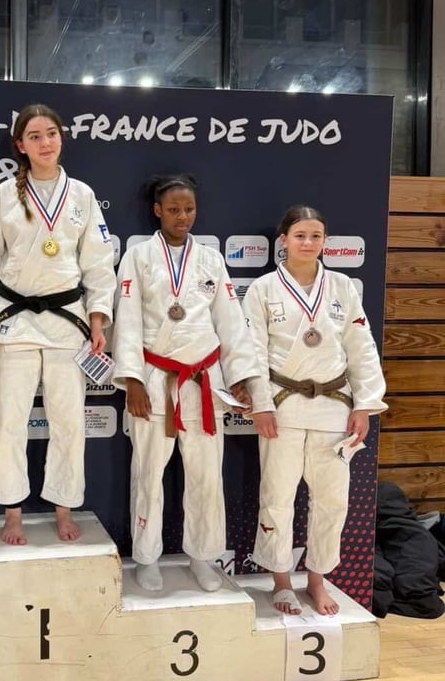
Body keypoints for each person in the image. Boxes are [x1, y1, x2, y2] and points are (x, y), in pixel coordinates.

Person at [112, 173, 266, 593]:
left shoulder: (211, 260)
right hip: (155, 379)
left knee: (206, 475)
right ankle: (147, 557)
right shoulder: (138, 257)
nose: (183, 217)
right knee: (148, 473)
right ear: (157, 211)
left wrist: (239, 377)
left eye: (189, 209)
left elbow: (230, 323)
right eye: (174, 209)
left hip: (203, 381)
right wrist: (132, 380)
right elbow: (127, 320)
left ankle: (202, 555)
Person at [0, 103, 116, 546]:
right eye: (34, 136)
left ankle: (63, 506)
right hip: (15, 321)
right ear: (20, 145)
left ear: (61, 138)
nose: (44, 143)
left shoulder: (82, 195)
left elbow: (98, 263)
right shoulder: (3, 195)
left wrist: (98, 320)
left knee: (68, 421)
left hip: (67, 323)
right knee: (9, 421)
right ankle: (12, 511)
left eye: (51, 133)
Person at [244, 204, 387, 615]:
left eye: (316, 236)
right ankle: (281, 581)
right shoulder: (263, 289)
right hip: (283, 406)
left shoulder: (342, 287)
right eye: (300, 235)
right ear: (283, 240)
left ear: (325, 241)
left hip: (333, 407)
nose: (308, 243)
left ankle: (318, 580)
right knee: (278, 496)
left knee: (332, 500)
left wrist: (364, 405)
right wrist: (261, 404)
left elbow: (361, 349)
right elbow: (251, 352)